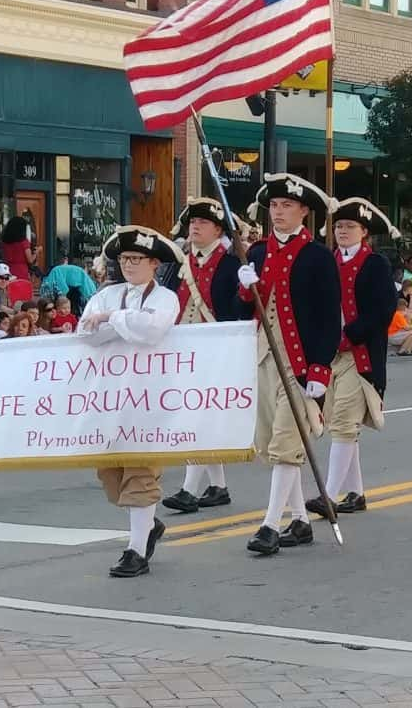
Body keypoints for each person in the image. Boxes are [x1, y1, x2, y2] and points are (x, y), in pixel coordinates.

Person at [237, 173, 341, 556]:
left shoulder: (317, 257)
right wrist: (245, 286)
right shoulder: (258, 253)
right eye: (274, 207)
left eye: (287, 207)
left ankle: (269, 525)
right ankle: (300, 520)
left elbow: (330, 317)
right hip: (264, 356)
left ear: (304, 212)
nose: (278, 213)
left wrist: (320, 368)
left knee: (285, 443)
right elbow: (248, 307)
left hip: (299, 364)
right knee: (273, 443)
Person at [77, 225, 182, 578]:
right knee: (111, 475)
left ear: (154, 263)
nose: (128, 265)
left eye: (136, 259)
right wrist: (121, 323)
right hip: (109, 396)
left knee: (140, 473)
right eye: (123, 259)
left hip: (149, 396)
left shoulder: (164, 297)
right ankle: (148, 526)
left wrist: (111, 320)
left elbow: (153, 330)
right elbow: (85, 334)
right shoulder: (107, 293)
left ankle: (135, 550)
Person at [304, 198, 398, 520]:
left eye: (349, 227)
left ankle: (329, 495)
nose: (342, 231)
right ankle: (356, 493)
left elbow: (383, 311)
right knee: (339, 422)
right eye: (339, 226)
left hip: (360, 355)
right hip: (331, 354)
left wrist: (351, 334)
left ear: (364, 232)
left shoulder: (376, 265)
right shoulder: (327, 261)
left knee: (344, 421)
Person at [161, 198, 243, 516]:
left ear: (218, 229)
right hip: (184, 349)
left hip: (217, 351)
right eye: (192, 222)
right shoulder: (180, 261)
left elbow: (239, 310)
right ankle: (218, 487)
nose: (194, 227)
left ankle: (188, 490)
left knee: (198, 417)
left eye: (203, 223)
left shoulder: (231, 263)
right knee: (198, 416)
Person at [0, 216, 36, 281]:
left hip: (7, 269)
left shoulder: (5, 242)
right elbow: (30, 260)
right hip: (21, 271)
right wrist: (36, 252)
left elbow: (3, 256)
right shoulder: (24, 242)